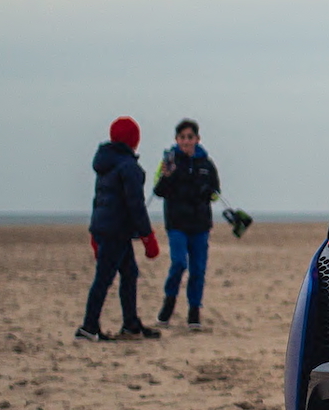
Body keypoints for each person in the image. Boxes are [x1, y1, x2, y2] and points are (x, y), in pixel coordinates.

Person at [80, 117, 161, 342]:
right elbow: (136, 205)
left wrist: (94, 231)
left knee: (129, 274)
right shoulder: (128, 167)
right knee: (104, 278)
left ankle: (131, 324)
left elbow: (99, 200)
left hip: (108, 229)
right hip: (115, 230)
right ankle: (88, 327)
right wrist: (148, 237)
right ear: (133, 140)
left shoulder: (106, 165)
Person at [152, 117, 223, 328]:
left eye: (190, 137)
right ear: (176, 139)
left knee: (198, 270)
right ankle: (169, 302)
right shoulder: (169, 162)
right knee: (179, 263)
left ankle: (194, 311)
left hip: (200, 224)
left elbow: (216, 193)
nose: (186, 141)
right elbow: (158, 191)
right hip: (177, 224)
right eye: (182, 137)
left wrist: (208, 192)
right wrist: (167, 176)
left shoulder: (206, 164)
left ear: (197, 139)